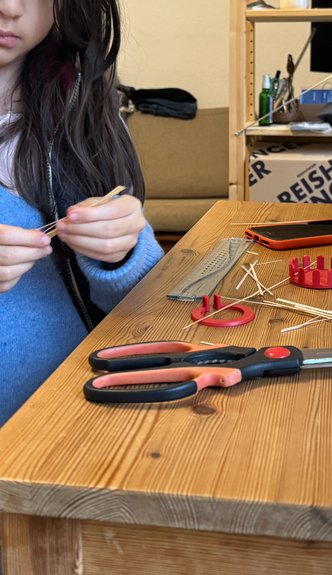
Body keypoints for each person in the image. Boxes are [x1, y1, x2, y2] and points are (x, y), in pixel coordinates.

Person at [0, 0, 164, 425]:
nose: (10, 8)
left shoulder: (85, 111)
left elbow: (137, 312)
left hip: (78, 428)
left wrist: (122, 252)